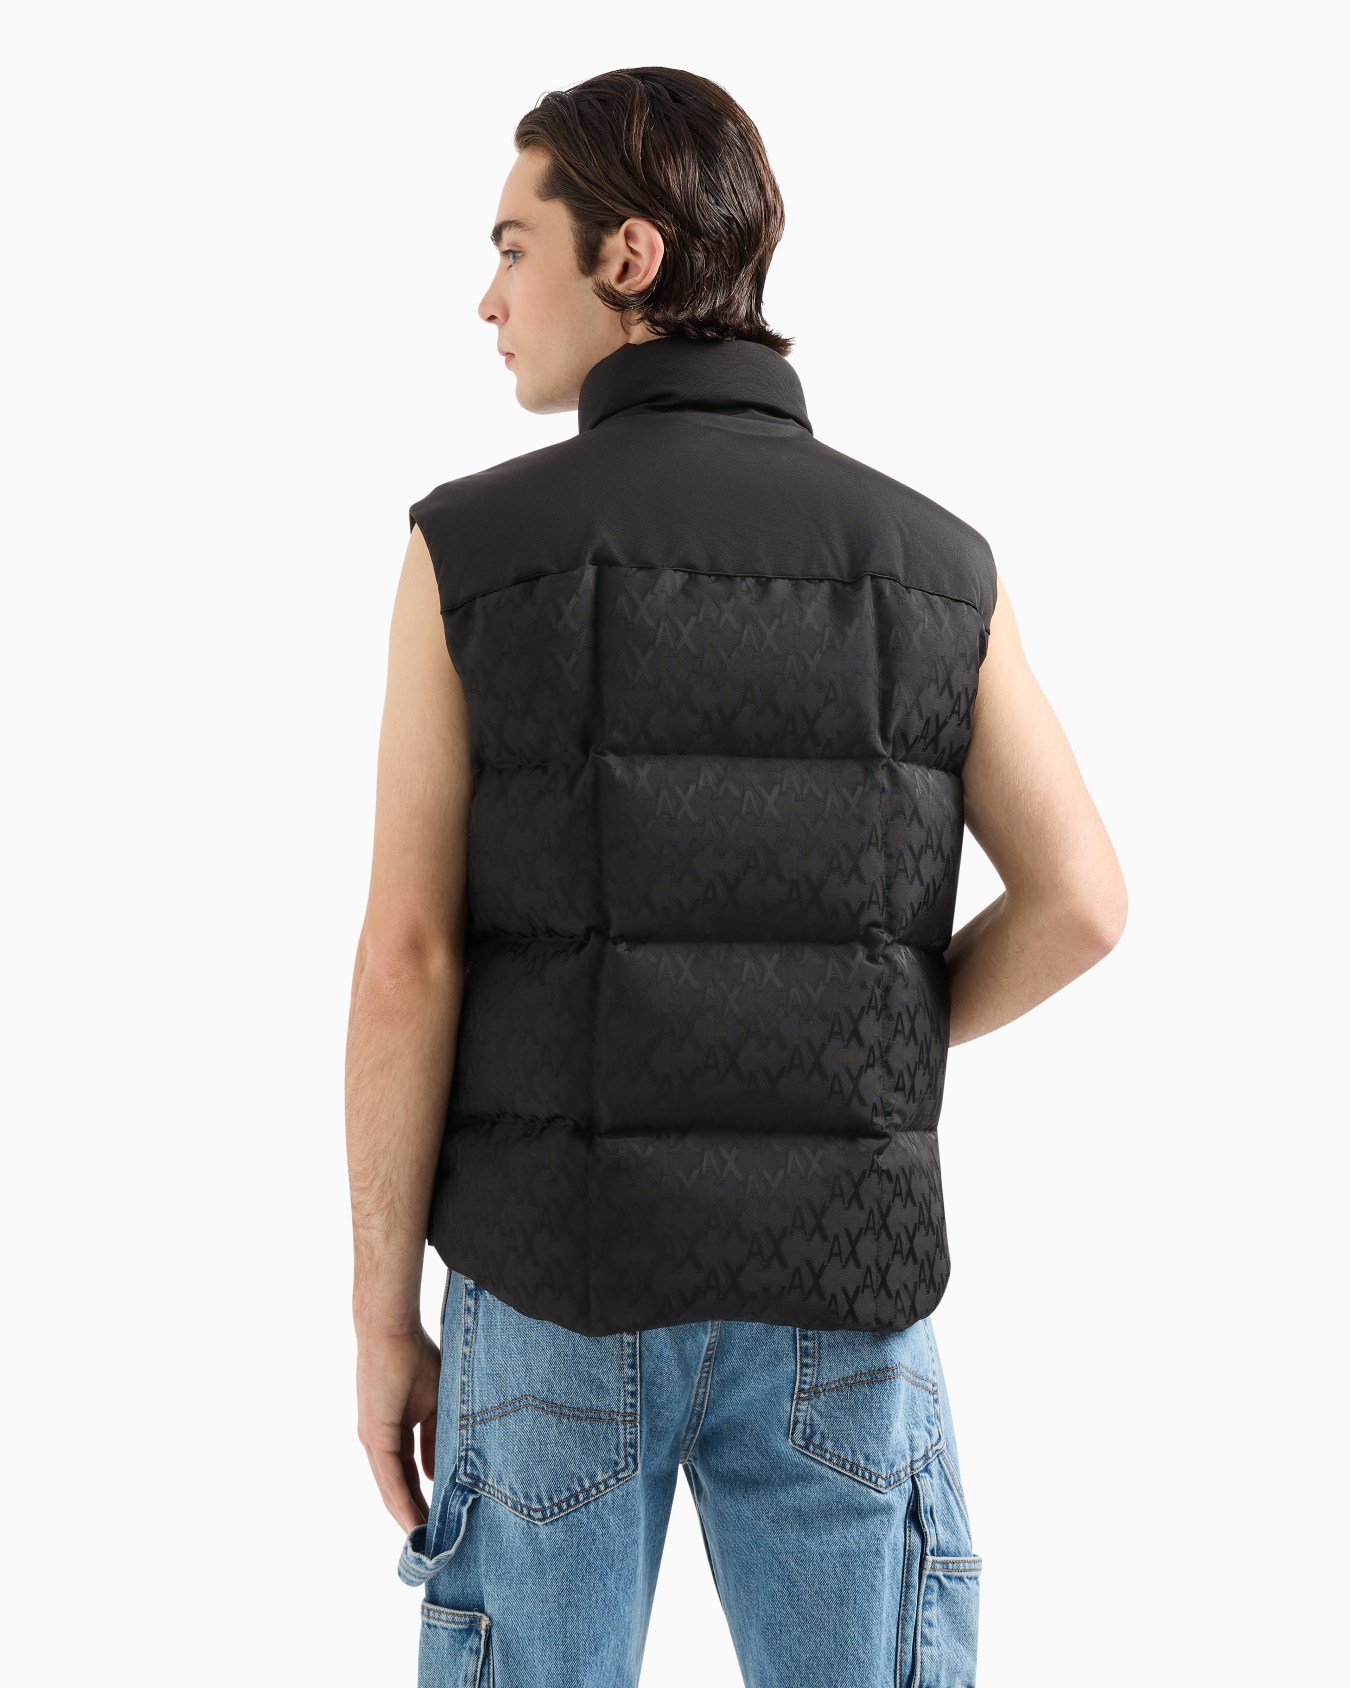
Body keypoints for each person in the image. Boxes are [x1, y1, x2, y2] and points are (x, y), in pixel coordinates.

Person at [346, 66, 1126, 1688]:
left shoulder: (469, 554)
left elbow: (410, 957)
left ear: (626, 256)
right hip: (839, 1284)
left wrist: (378, 1319)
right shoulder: (936, 563)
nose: (487, 298)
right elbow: (1081, 902)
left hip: (551, 1285)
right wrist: (846, 1048)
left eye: (512, 247)